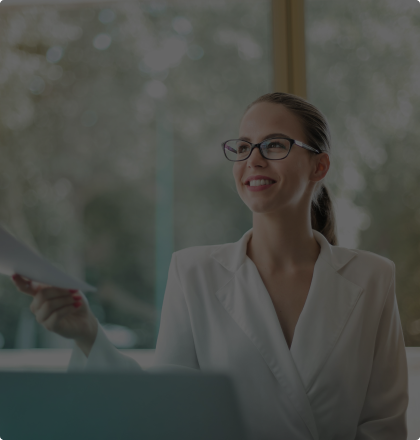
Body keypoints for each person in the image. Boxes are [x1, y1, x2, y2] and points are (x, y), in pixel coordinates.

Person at [12, 92, 408, 440]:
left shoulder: (372, 278)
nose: (253, 160)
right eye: (243, 146)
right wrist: (87, 335)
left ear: (319, 167)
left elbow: (383, 425)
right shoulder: (193, 272)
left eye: (274, 145)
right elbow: (166, 412)